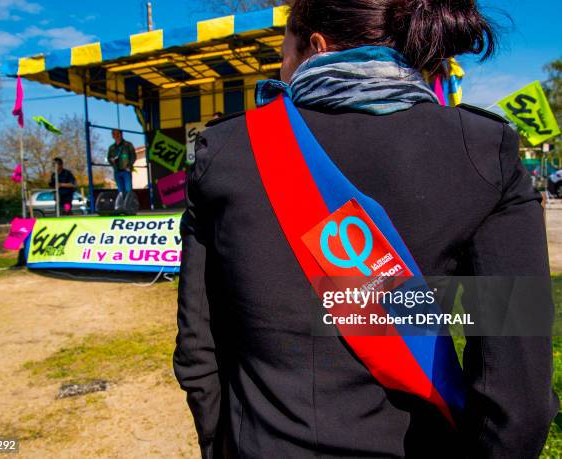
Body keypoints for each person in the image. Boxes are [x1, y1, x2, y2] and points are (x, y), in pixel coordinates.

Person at [174, 0, 558, 458]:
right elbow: (518, 390)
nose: (282, 68)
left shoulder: (225, 151)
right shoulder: (481, 148)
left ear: (315, 46)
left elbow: (199, 352)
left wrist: (224, 446)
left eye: (284, 55)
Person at [107, 129, 136, 195]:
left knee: (128, 190)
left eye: (118, 134)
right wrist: (111, 160)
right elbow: (109, 158)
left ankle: (129, 205)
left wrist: (129, 165)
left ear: (121, 134)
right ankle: (123, 204)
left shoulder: (128, 145)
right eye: (114, 134)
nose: (116, 135)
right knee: (120, 192)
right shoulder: (111, 148)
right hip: (117, 172)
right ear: (112, 136)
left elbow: (133, 156)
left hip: (126, 171)